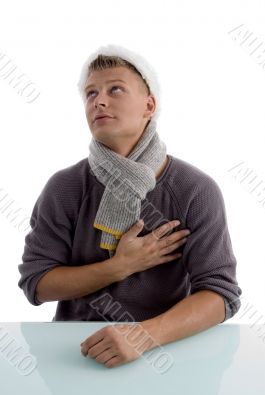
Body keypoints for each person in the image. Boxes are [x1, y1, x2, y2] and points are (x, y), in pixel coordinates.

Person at [18, 44, 242, 369]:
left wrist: (142, 337)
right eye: (91, 93)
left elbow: (221, 295)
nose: (100, 101)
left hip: (169, 353)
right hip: (76, 356)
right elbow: (36, 283)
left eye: (115, 89)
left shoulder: (195, 189)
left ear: (149, 105)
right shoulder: (64, 187)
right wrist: (119, 267)